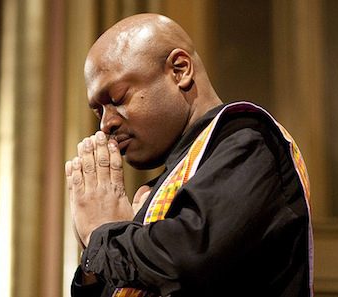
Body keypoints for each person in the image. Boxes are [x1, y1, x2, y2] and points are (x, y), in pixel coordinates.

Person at [65, 13, 313, 297]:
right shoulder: (158, 192)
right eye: (99, 110)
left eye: (118, 98)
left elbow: (190, 258)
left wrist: (102, 236)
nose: (105, 124)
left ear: (180, 70)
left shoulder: (249, 140)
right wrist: (92, 260)